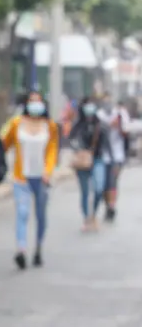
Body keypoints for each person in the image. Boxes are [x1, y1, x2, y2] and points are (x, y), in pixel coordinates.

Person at [0, 91, 59, 269]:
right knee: (22, 213)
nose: (35, 104)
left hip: (41, 178)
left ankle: (38, 248)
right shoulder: (16, 123)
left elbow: (52, 151)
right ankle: (21, 250)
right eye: (31, 101)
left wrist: (48, 171)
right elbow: (3, 141)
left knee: (41, 216)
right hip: (21, 177)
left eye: (38, 101)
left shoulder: (50, 126)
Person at [69, 96, 109, 232]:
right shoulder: (78, 125)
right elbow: (72, 140)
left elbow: (105, 142)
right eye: (87, 105)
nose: (89, 108)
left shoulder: (101, 124)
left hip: (97, 159)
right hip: (82, 161)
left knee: (99, 188)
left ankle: (94, 215)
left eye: (92, 105)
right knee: (85, 192)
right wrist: (79, 150)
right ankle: (87, 219)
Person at [97, 99, 131, 222]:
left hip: (117, 157)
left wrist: (120, 124)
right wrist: (107, 125)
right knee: (102, 186)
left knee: (112, 182)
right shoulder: (100, 115)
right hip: (102, 156)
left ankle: (111, 207)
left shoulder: (122, 114)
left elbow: (127, 131)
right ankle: (107, 205)